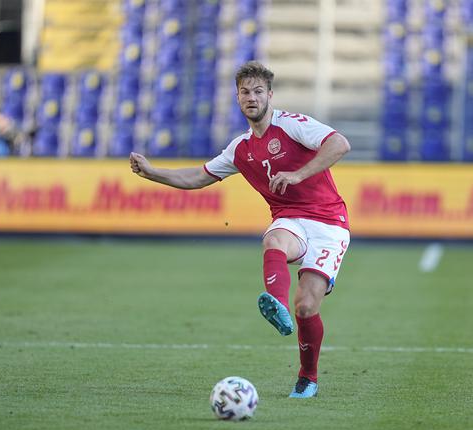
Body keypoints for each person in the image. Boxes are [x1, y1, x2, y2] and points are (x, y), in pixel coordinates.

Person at [129, 61, 351, 398]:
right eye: (245, 92)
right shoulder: (241, 148)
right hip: (290, 220)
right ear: (237, 98)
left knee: (306, 306)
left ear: (270, 96)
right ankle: (276, 303)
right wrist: (152, 172)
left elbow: (339, 144)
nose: (252, 97)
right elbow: (198, 177)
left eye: (258, 91)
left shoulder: (292, 125)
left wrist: (297, 175)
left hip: (329, 223)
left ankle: (308, 376)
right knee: (274, 238)